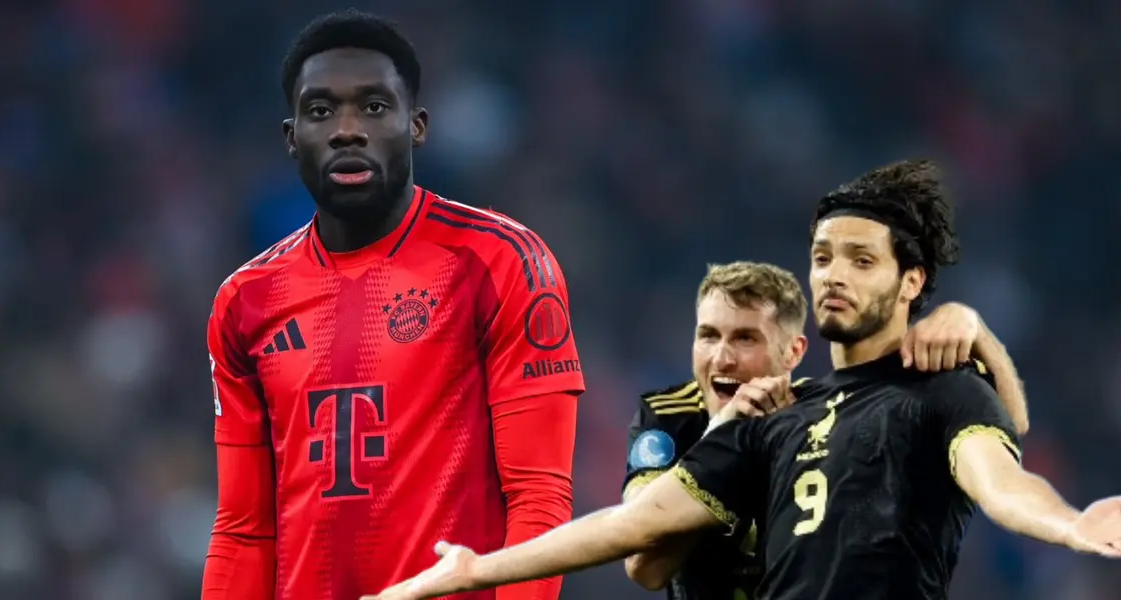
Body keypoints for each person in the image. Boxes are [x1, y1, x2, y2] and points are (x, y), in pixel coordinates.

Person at [361, 160, 1121, 600]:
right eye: (823, 257)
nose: (832, 276)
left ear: (911, 279)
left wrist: (1072, 524)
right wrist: (474, 568)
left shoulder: (940, 393)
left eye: (861, 260)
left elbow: (1000, 481)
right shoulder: (771, 417)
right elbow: (634, 530)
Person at [200, 9, 584, 600]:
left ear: (418, 126)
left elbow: (538, 497)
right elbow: (245, 531)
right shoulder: (245, 301)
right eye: (321, 110)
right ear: (290, 136)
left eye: (374, 108)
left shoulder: (501, 262)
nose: (347, 129)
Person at [621, 261, 1030, 599]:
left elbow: (1009, 425)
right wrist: (718, 446)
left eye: (746, 339)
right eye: (708, 336)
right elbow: (644, 566)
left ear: (793, 353)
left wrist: (977, 331)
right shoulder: (671, 417)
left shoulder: (833, 418)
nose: (722, 358)